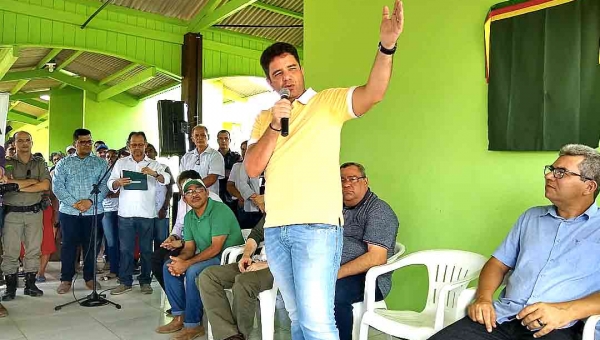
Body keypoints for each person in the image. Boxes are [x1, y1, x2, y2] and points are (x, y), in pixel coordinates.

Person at [243, 1, 404, 338]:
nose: (287, 77)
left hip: (317, 227)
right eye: (277, 73)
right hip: (276, 230)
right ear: (270, 81)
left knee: (317, 322)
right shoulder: (264, 119)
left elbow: (373, 93)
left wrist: (386, 45)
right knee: (297, 317)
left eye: (291, 68)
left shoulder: (327, 102)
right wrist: (275, 126)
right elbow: (253, 167)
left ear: (301, 69)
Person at [429, 144, 600, 340]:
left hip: (558, 327)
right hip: (502, 317)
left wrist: (566, 312)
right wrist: (483, 298)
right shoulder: (531, 217)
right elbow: (497, 264)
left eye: (561, 172)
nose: (549, 176)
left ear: (589, 187)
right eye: (551, 169)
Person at [155, 178, 243, 340]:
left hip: (228, 259)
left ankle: (193, 324)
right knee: (169, 265)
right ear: (184, 198)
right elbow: (189, 248)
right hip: (207, 256)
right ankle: (179, 316)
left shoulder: (219, 210)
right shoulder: (189, 217)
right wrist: (179, 262)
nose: (194, 194)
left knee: (193, 271)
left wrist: (187, 264)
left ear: (207, 193)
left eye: (198, 190)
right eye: (188, 192)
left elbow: (216, 247)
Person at [335, 162, 399, 340]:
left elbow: (376, 258)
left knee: (334, 293)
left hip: (372, 278)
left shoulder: (378, 211)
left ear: (365, 181)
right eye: (341, 180)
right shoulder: (337, 208)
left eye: (353, 179)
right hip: (338, 270)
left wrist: (336, 273)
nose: (346, 184)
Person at [107, 131, 171, 295]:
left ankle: (145, 281)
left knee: (146, 250)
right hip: (125, 213)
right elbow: (110, 183)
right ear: (129, 145)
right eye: (134, 145)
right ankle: (125, 281)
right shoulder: (121, 162)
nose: (137, 148)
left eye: (140, 144)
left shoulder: (154, 164)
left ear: (146, 145)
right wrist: (117, 182)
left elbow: (167, 179)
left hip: (147, 214)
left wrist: (154, 174)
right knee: (126, 250)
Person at [52, 129, 109, 294]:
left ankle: (90, 278)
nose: (86, 145)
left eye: (89, 142)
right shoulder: (63, 163)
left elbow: (105, 185)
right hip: (69, 212)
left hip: (93, 211)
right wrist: (75, 204)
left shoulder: (100, 163)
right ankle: (66, 279)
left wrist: (89, 202)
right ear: (75, 143)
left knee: (91, 246)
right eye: (82, 142)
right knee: (69, 246)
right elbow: (57, 187)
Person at [198, 216, 272, 340]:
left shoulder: (302, 213)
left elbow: (301, 252)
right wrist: (246, 255)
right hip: (257, 261)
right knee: (208, 276)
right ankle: (230, 336)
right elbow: (256, 234)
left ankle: (240, 335)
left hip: (279, 267)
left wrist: (267, 264)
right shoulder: (273, 209)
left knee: (244, 281)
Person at [1, 131, 51, 300]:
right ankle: (11, 288)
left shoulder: (39, 162)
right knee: (10, 251)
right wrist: (31, 182)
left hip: (34, 212)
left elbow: (44, 185)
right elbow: (4, 184)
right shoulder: (6, 162)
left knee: (33, 250)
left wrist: (16, 185)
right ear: (14, 143)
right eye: (20, 140)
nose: (24, 143)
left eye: (27, 140)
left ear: (32, 142)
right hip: (12, 213)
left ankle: (30, 285)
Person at [227, 141, 264, 229]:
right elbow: (230, 186)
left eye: (248, 149)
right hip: (244, 204)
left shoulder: (264, 165)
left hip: (263, 205)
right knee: (245, 231)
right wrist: (240, 197)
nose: (245, 152)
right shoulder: (237, 166)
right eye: (243, 149)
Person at [180, 125, 225, 196]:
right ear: (192, 138)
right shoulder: (186, 157)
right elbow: (181, 178)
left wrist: (192, 189)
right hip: (190, 199)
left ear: (208, 137)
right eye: (196, 135)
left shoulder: (215, 155)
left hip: (209, 199)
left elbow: (212, 178)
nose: (199, 138)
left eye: (203, 135)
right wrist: (186, 192)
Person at [146, 143, 174, 251]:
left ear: (156, 153)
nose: (148, 153)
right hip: (146, 212)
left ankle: (159, 265)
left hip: (161, 210)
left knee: (161, 240)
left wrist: (164, 207)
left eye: (150, 150)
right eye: (146, 151)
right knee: (146, 241)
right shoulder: (140, 168)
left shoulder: (164, 168)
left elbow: (170, 189)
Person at [101, 149, 120, 280]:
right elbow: (101, 191)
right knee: (111, 242)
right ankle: (113, 269)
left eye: (113, 156)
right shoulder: (103, 172)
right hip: (106, 211)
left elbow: (124, 191)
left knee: (122, 242)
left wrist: (112, 193)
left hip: (122, 211)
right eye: (108, 156)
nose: (110, 158)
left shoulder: (120, 171)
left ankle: (123, 270)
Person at [216, 130, 242, 211]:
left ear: (230, 140)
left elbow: (239, 174)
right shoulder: (212, 156)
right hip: (216, 193)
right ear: (217, 140)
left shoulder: (236, 156)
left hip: (232, 195)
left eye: (226, 138)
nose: (223, 141)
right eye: (221, 138)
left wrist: (219, 173)